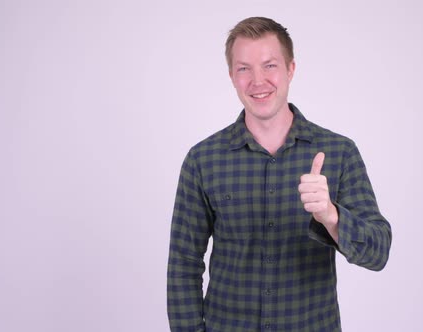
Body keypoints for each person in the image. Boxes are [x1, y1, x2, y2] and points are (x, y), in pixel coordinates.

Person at [167, 17, 392, 331]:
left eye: (269, 65)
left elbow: (379, 252)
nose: (258, 81)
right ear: (232, 75)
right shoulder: (203, 159)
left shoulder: (339, 152)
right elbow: (183, 266)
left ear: (291, 69)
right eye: (244, 68)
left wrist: (331, 216)